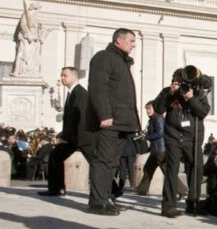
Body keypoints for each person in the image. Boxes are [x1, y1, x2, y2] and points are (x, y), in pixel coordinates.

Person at [85, 28, 141, 216]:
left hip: (122, 122)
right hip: (110, 121)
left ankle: (106, 198)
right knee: (103, 161)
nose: (134, 44)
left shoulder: (122, 62)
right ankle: (97, 202)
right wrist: (104, 115)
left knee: (111, 163)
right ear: (119, 40)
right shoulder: (104, 57)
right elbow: (97, 87)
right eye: (131, 41)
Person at [153, 68, 211, 217]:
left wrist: (191, 98)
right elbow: (157, 108)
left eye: (180, 81)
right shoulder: (168, 92)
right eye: (175, 80)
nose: (177, 84)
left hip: (192, 137)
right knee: (172, 169)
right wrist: (170, 94)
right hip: (173, 136)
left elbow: (203, 112)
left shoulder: (197, 92)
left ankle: (193, 202)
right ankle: (168, 206)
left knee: (196, 168)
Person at [39, 67, 93, 196]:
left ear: (74, 77)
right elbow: (69, 119)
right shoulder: (72, 93)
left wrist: (67, 137)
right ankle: (57, 188)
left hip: (81, 137)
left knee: (96, 163)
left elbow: (78, 117)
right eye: (61, 75)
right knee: (55, 156)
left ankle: (113, 189)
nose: (62, 78)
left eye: (65, 75)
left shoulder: (80, 93)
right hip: (73, 137)